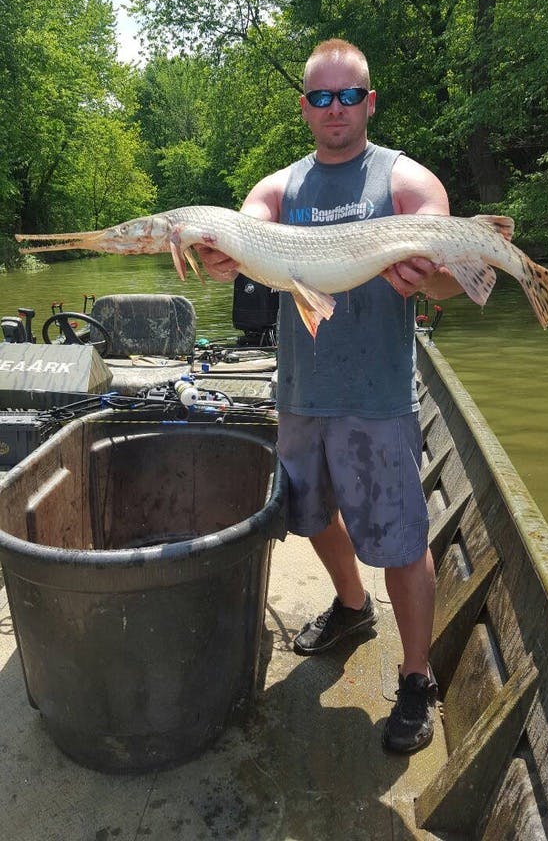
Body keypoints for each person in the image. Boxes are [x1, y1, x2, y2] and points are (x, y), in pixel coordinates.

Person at [196, 39, 463, 754]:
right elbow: (237, 241)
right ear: (305, 108)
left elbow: (446, 275)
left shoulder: (403, 180)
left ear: (369, 102)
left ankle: (415, 677)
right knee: (309, 511)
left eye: (348, 95)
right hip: (302, 393)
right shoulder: (280, 188)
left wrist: (430, 277)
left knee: (403, 541)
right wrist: (216, 254)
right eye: (321, 96)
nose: (335, 107)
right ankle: (352, 607)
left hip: (378, 397)